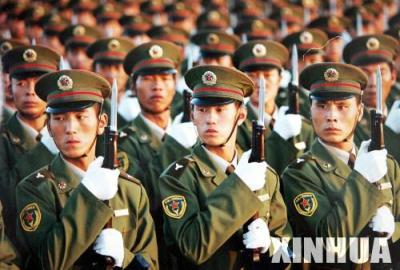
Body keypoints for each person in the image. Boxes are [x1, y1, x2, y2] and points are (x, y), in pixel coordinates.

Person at [16, 69, 158, 269]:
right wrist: (89, 195)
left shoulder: (131, 190)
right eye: (59, 118)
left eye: (81, 116)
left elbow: (151, 264)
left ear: (101, 123)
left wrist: (125, 258)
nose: (70, 128)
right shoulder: (35, 190)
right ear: (48, 127)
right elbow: (48, 262)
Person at [160, 65, 292, 269]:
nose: (211, 119)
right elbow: (192, 248)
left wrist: (271, 247)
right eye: (202, 110)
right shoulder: (178, 178)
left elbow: (286, 248)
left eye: (220, 110)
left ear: (240, 116)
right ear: (193, 115)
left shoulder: (266, 175)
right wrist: (240, 187)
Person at [282, 62, 400, 268]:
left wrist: (393, 231)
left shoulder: (386, 166)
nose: (331, 116)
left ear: (360, 112)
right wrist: (363, 177)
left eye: (342, 106)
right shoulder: (300, 174)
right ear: (310, 111)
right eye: (321, 106)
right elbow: (330, 243)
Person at [119, 40, 197, 270]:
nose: (158, 86)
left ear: (176, 83)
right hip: (155, 251)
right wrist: (173, 146)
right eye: (148, 79)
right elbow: (142, 198)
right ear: (133, 87)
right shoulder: (124, 142)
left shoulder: (196, 132)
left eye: (165, 78)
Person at [0, 45, 60, 249]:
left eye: (39, 83)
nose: (30, 92)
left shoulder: (71, 136)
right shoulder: (3, 140)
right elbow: (9, 197)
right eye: (21, 83)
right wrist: (45, 147)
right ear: (10, 88)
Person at [233, 40, 315, 175]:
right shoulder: (235, 126)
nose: (260, 83)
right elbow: (248, 174)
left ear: (280, 78)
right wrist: (278, 138)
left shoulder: (302, 125)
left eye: (267, 75)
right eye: (252, 76)